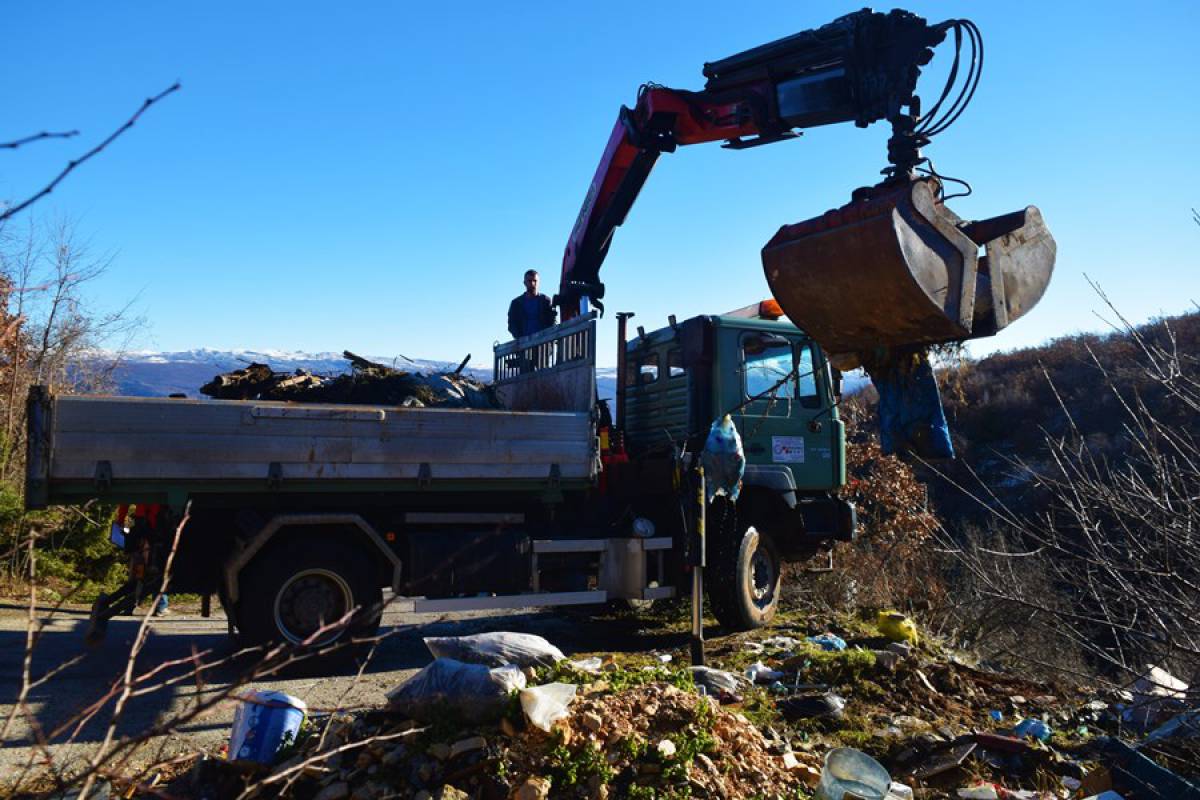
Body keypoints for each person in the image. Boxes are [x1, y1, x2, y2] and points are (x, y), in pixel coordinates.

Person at [507, 269, 556, 340]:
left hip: (543, 344)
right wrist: (520, 339)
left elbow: (552, 321)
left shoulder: (546, 301)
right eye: (530, 281)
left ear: (539, 282)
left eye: (535, 281)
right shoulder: (516, 303)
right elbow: (511, 324)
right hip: (524, 345)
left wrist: (547, 336)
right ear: (524, 283)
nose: (532, 283)